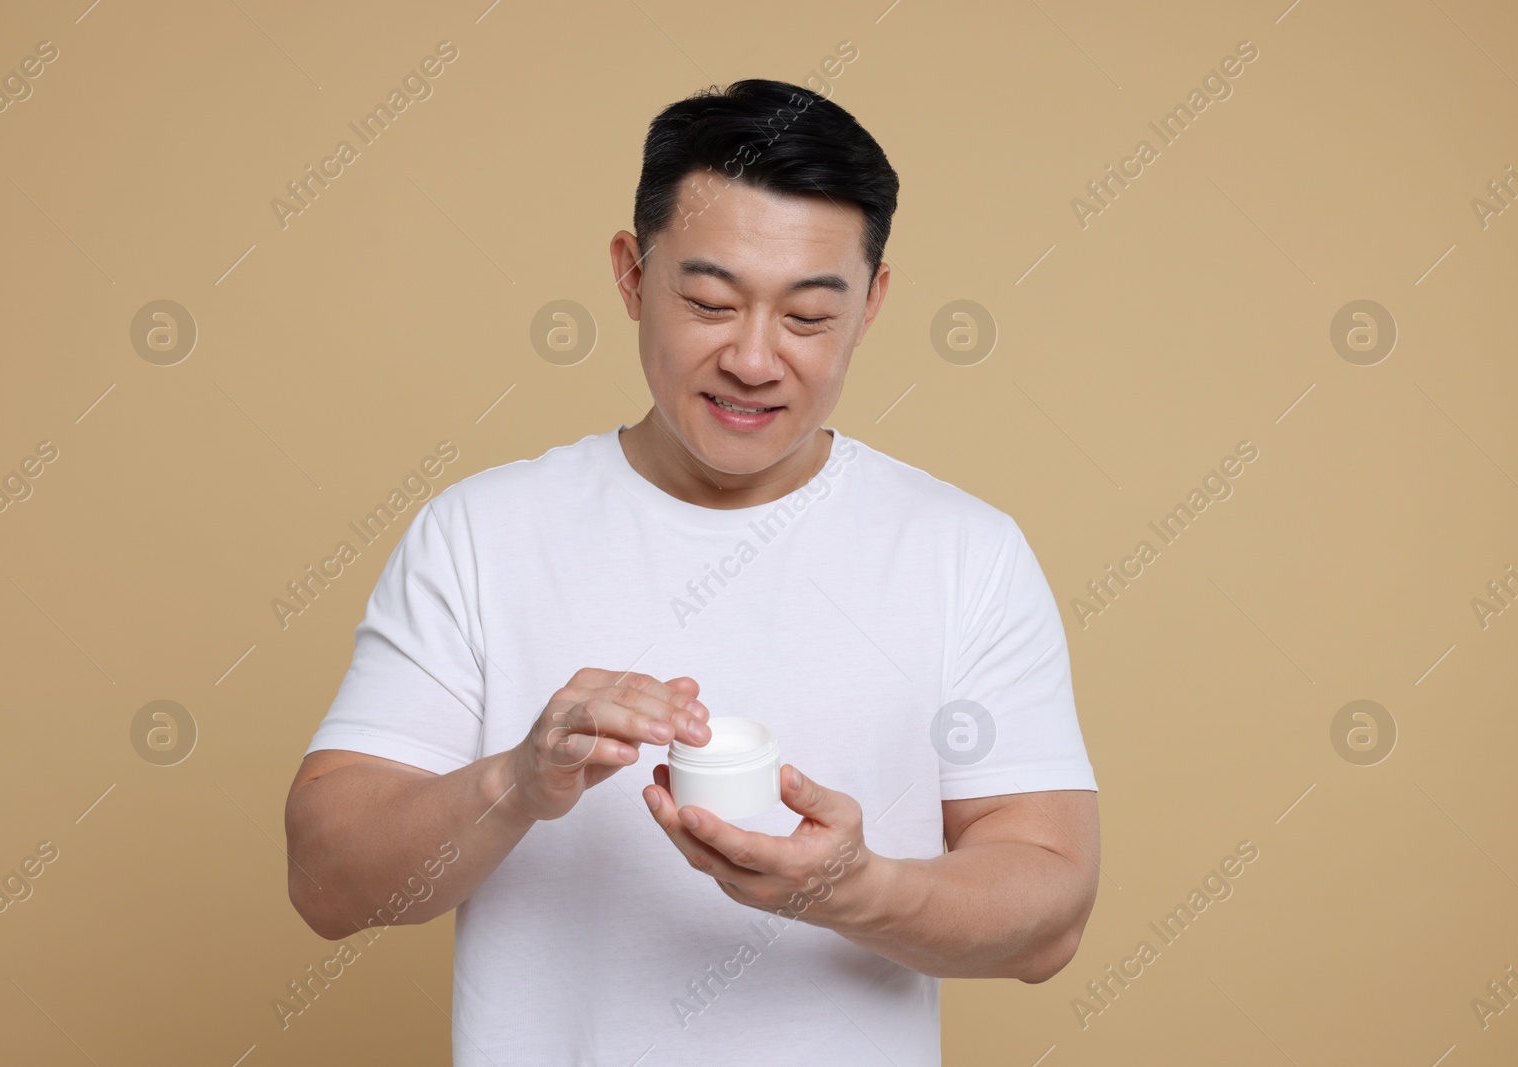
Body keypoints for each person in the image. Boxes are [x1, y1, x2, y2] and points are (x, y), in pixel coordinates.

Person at [284, 77, 1100, 1066]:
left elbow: (1049, 917)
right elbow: (327, 883)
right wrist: (516, 778)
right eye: (709, 301)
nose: (753, 359)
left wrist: (851, 887)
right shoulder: (481, 533)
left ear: (872, 303)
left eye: (806, 317)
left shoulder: (962, 552)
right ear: (632, 275)